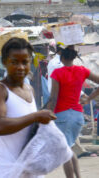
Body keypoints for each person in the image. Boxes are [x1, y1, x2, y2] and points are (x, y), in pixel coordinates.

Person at [0, 38, 56, 178]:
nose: (21, 67)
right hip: (3, 166)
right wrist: (36, 116)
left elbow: (28, 129)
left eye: (25, 62)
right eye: (14, 62)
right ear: (5, 62)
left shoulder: (29, 89)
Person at [45, 46, 99, 178]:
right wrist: (89, 98)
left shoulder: (57, 73)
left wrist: (49, 114)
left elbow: (53, 97)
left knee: (65, 152)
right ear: (74, 58)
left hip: (62, 115)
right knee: (69, 148)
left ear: (62, 58)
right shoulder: (82, 70)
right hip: (77, 116)